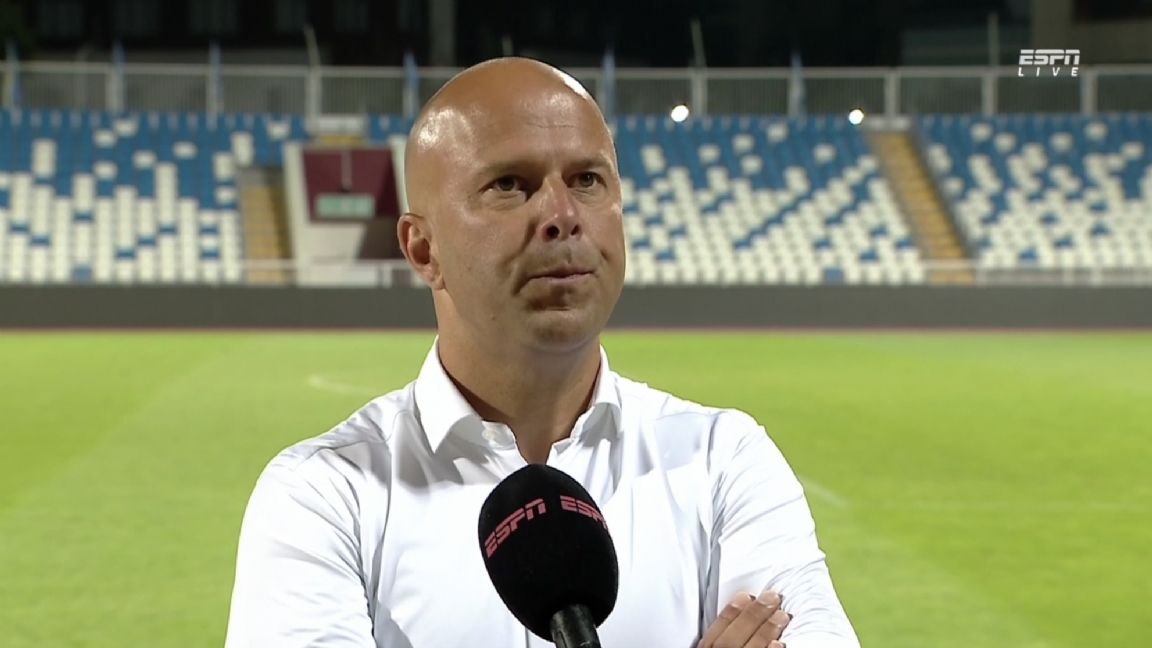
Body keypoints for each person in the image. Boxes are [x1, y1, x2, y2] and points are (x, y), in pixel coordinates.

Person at [225, 57, 859, 648]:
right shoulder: (325, 496)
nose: (562, 214)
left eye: (587, 180)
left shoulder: (723, 461)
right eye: (510, 185)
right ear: (423, 249)